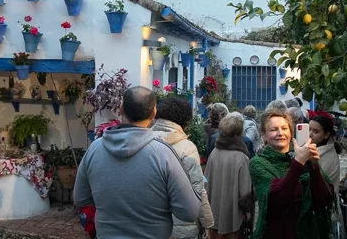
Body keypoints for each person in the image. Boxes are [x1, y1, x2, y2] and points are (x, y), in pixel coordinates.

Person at [74, 87, 201, 239]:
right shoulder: (163, 155)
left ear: (121, 109)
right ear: (154, 113)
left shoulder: (94, 149)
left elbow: (80, 198)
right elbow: (190, 212)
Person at [249, 109, 334, 239]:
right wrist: (298, 163)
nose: (280, 133)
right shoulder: (258, 163)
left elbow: (323, 199)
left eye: (284, 128)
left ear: (291, 132)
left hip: (307, 232)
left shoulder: (303, 156)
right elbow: (276, 200)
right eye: (273, 130)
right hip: (276, 233)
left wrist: (314, 167)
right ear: (263, 135)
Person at [151, 96, 215, 238]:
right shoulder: (186, 148)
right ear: (184, 120)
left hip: (151, 224)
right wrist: (207, 223)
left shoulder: (145, 141)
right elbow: (197, 190)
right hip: (182, 224)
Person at [205, 113, 253, 239]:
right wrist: (248, 213)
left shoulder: (214, 153)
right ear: (238, 133)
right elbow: (245, 192)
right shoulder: (242, 158)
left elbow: (206, 181)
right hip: (232, 212)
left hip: (213, 208)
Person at [308, 113, 344, 238]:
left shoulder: (322, 156)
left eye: (315, 131)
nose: (310, 134)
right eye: (309, 129)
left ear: (326, 134)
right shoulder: (317, 150)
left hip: (322, 212)